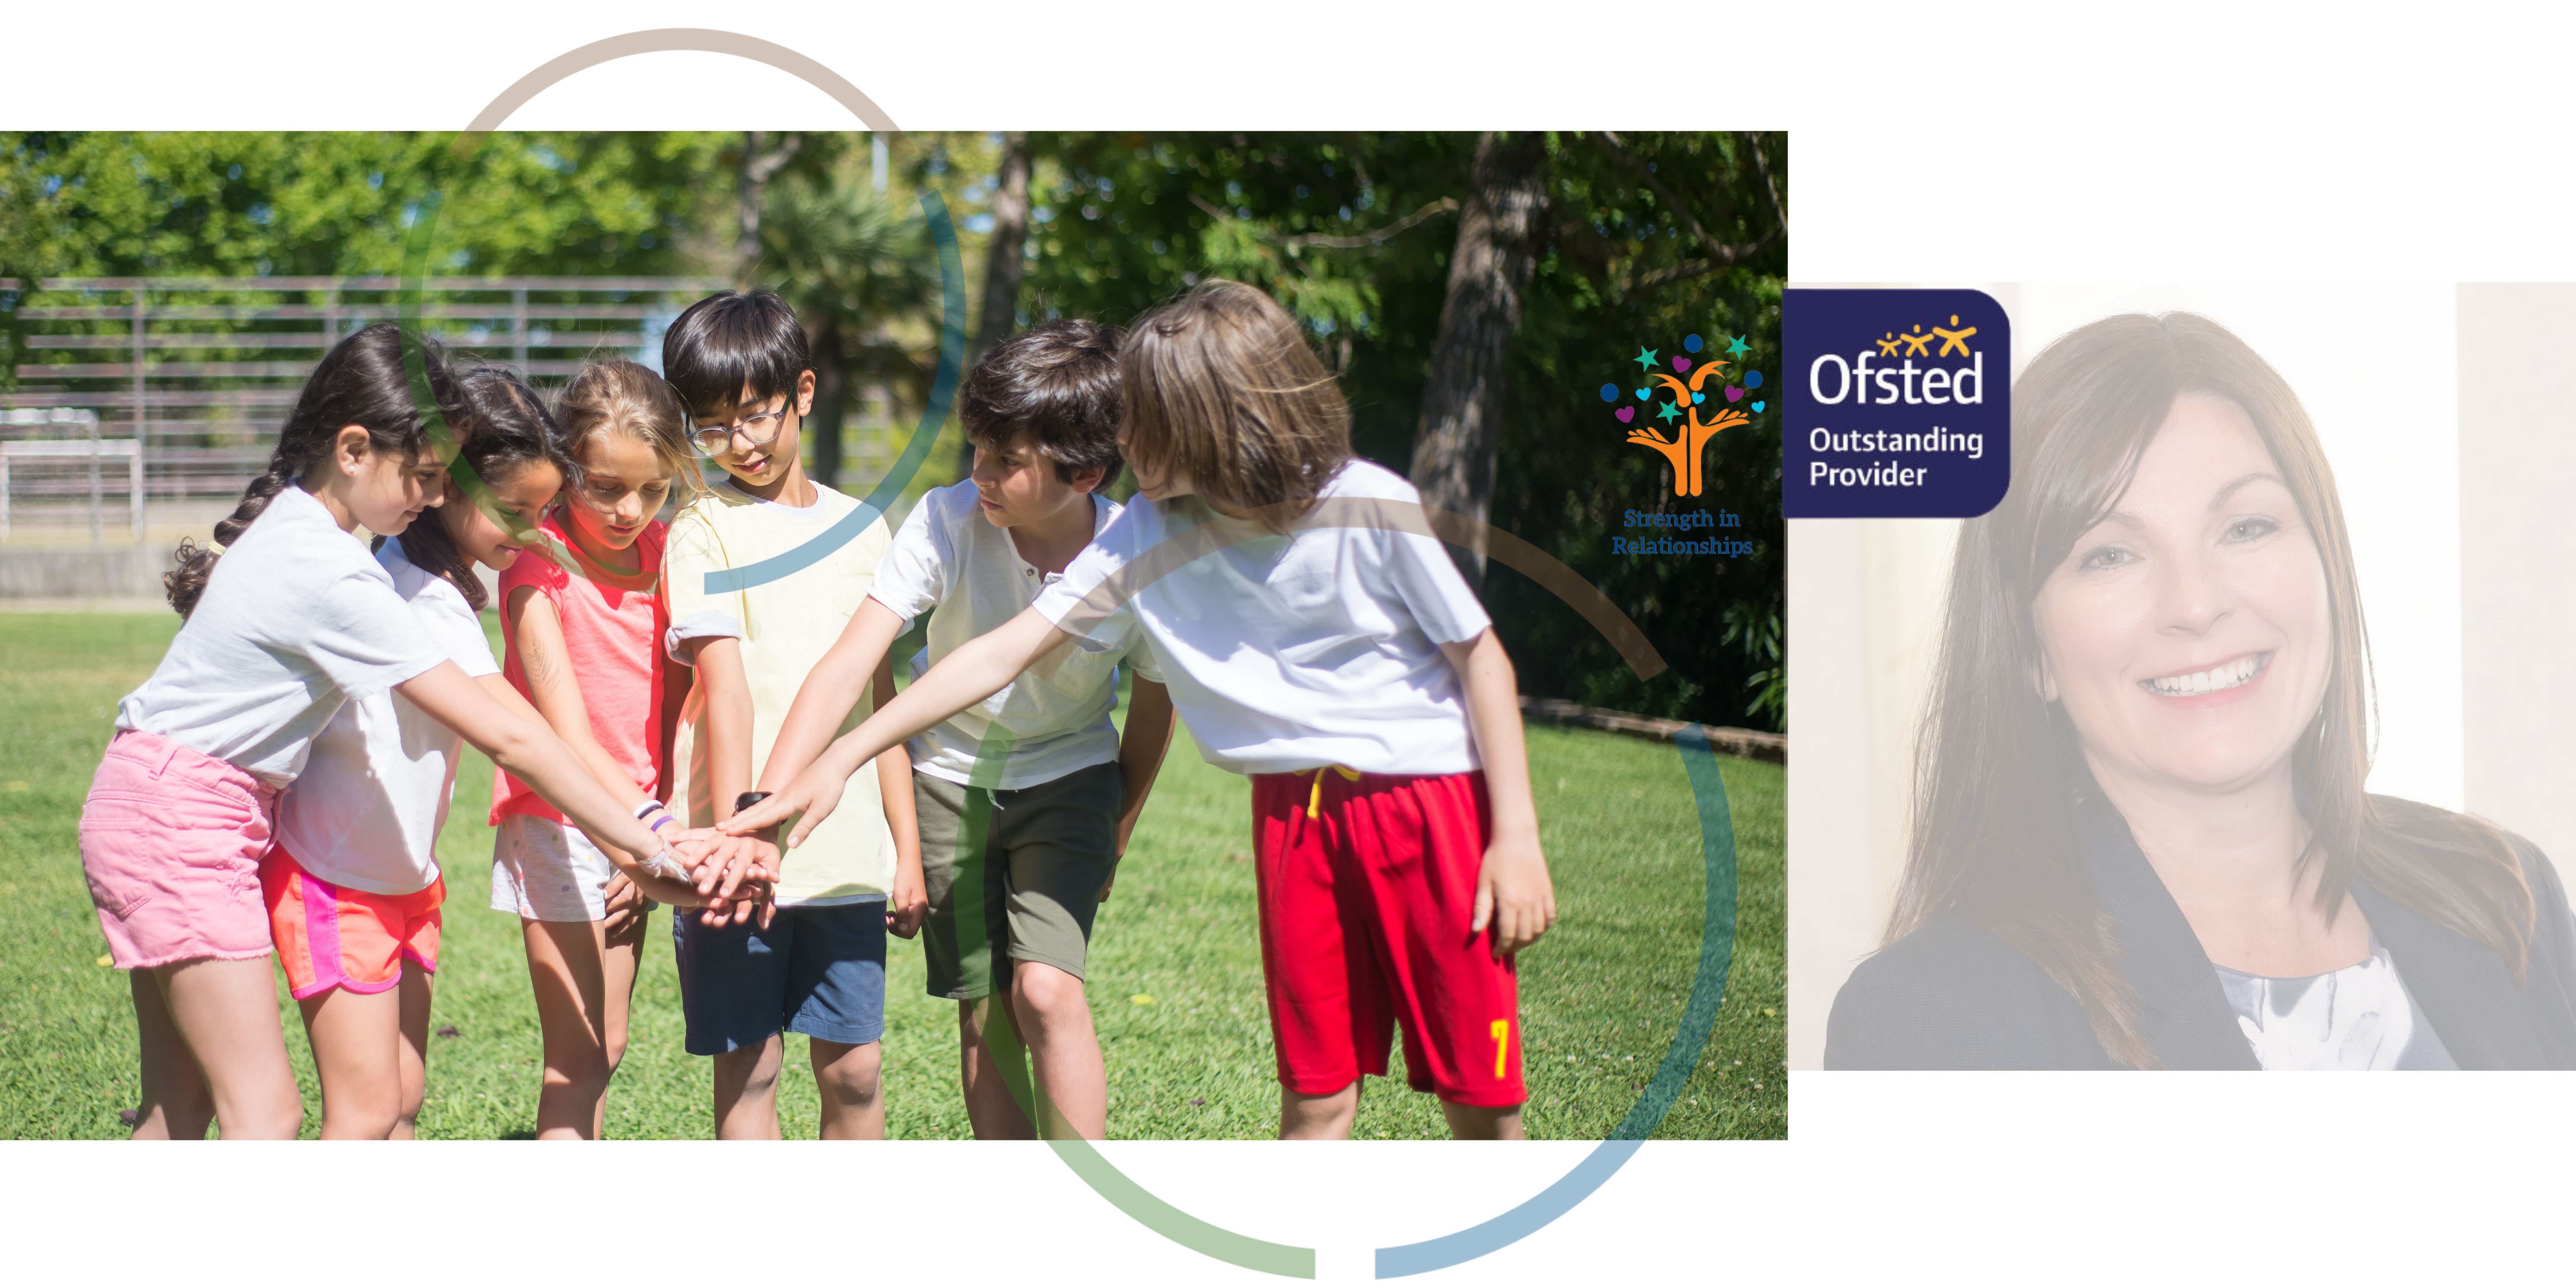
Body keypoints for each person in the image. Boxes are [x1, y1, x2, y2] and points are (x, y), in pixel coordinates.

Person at [734, 280, 1557, 1139]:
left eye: (1143, 420)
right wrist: (841, 757)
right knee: (1316, 1093)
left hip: (1426, 804)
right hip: (1290, 811)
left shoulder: (1367, 505)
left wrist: (1519, 838)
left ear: (1214, 423)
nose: (1122, 437)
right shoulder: (1150, 532)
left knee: (1477, 1090)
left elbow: (1481, 658)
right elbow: (1002, 651)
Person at [1824, 312, 2576, 1070]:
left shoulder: (2506, 899)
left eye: (2246, 528)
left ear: (2327, 567)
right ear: (2032, 651)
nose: (2195, 603)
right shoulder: (1929, 1019)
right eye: (2111, 554)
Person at [86, 325, 735, 1140]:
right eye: (426, 477)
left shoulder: (321, 538)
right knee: (269, 1113)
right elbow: (520, 738)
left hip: (174, 805)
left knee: (186, 1107)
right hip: (181, 819)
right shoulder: (357, 577)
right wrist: (650, 845)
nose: (428, 497)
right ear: (353, 449)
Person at [759, 318, 1176, 1141]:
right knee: (985, 1013)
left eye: (1007, 461)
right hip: (948, 782)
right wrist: (770, 796)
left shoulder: (1136, 552)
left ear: (1085, 472)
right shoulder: (946, 521)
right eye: (976, 449)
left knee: (1048, 992)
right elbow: (852, 661)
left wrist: (1117, 832)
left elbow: (1155, 705)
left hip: (1071, 779)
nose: (979, 474)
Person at [656, 289, 926, 1140]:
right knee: (752, 1070)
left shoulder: (866, 531)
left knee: (855, 1070)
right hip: (738, 855)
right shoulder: (701, 530)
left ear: (803, 393)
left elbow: (882, 705)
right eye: (711, 428)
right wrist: (742, 842)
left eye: (755, 416)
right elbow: (725, 693)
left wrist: (906, 851)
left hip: (844, 856)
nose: (740, 445)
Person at [489, 356, 736, 1138]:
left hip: (638, 824)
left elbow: (678, 701)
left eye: (654, 489)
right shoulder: (537, 561)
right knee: (578, 1058)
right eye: (605, 486)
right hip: (562, 822)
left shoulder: (670, 553)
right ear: (565, 466)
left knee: (611, 1043)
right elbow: (565, 732)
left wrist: (653, 819)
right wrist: (639, 835)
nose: (631, 510)